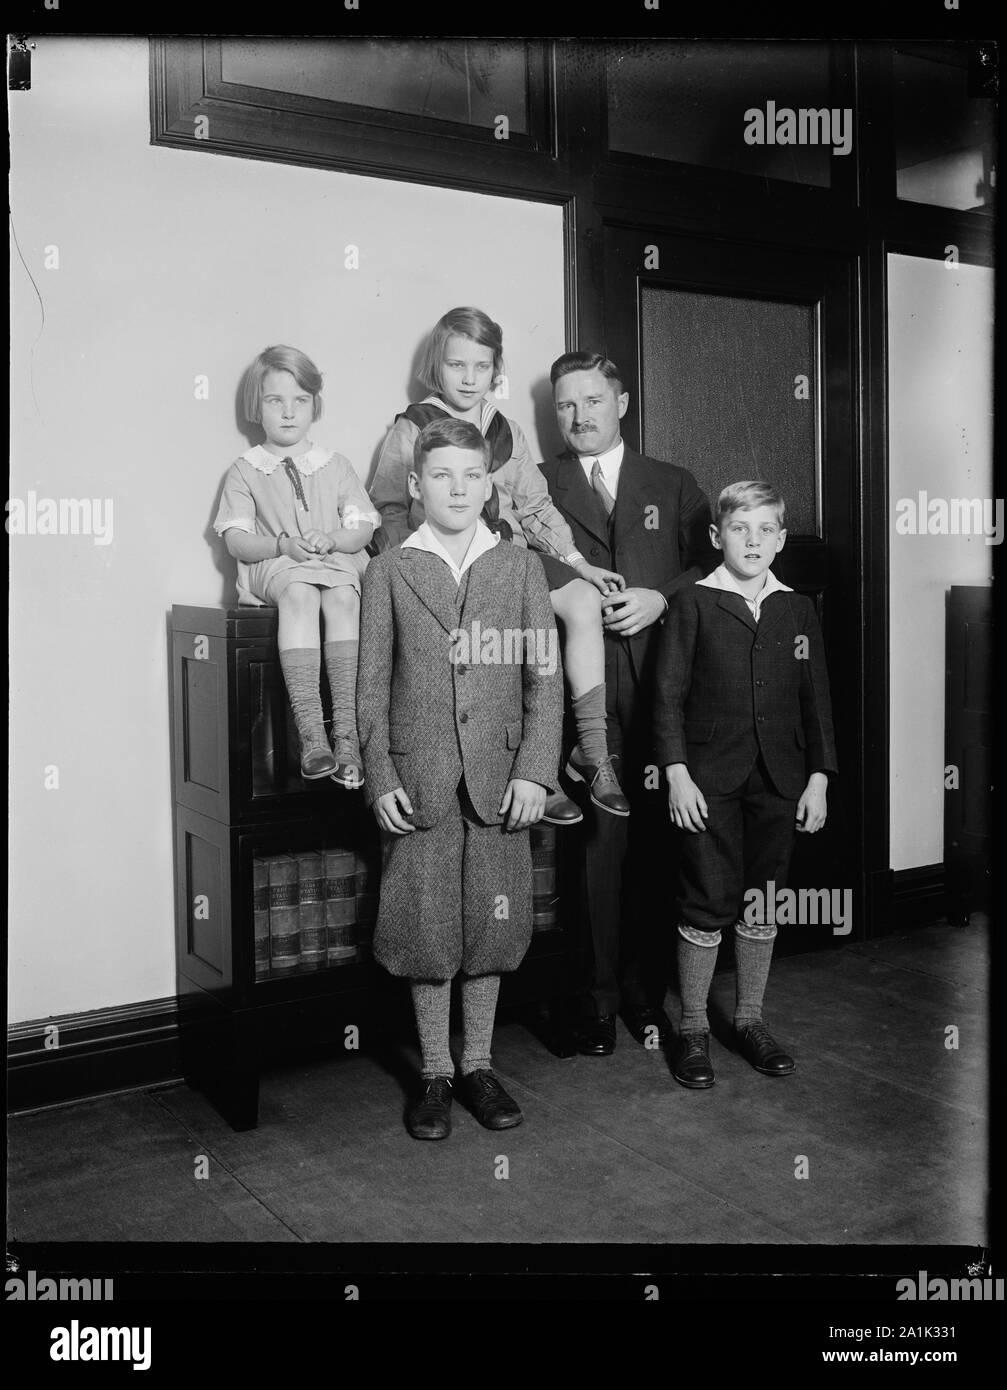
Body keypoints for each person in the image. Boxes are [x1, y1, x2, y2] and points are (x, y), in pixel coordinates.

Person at [357, 416, 563, 1140]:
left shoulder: (519, 567)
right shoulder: (388, 569)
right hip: (419, 781)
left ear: (488, 485)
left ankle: (478, 1064)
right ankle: (435, 1075)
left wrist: (538, 769)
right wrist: (379, 774)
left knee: (491, 927)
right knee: (426, 928)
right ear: (415, 485)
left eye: (470, 475)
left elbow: (544, 676)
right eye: (440, 474)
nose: (456, 487)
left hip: (499, 780)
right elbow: (370, 684)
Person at [369, 307, 629, 826]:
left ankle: (591, 752)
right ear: (435, 368)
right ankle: (537, 773)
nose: (469, 379)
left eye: (481, 367)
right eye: (456, 365)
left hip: (508, 555)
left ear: (496, 370)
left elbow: (534, 507)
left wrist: (579, 564)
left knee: (581, 599)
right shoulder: (413, 426)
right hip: (444, 562)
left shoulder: (508, 430)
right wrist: (403, 570)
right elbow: (390, 506)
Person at [538, 350, 717, 1054]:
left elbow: (712, 562)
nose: (578, 416)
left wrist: (658, 599)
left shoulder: (670, 484)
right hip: (576, 695)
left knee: (657, 849)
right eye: (563, 405)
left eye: (591, 400)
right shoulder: (536, 484)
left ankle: (647, 1001)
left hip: (662, 693)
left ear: (620, 401)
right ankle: (593, 1005)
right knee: (592, 851)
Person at [653, 481, 838, 1088]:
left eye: (765, 530)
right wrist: (676, 772)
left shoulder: (797, 608)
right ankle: (692, 1032)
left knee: (763, 900)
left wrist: (818, 777)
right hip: (707, 779)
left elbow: (818, 702)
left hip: (780, 778)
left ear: (781, 539)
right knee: (707, 898)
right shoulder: (694, 602)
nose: (753, 541)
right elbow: (667, 695)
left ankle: (750, 1019)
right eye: (739, 529)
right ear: (717, 536)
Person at [213, 345, 379, 786]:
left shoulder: (335, 465)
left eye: (299, 401)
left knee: (345, 597)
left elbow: (363, 528)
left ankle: (347, 737)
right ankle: (312, 735)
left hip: (334, 561)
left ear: (314, 406)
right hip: (278, 563)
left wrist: (335, 539)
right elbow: (236, 540)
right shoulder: (246, 470)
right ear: (257, 407)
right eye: (275, 401)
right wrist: (282, 544)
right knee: (301, 593)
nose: (288, 412)